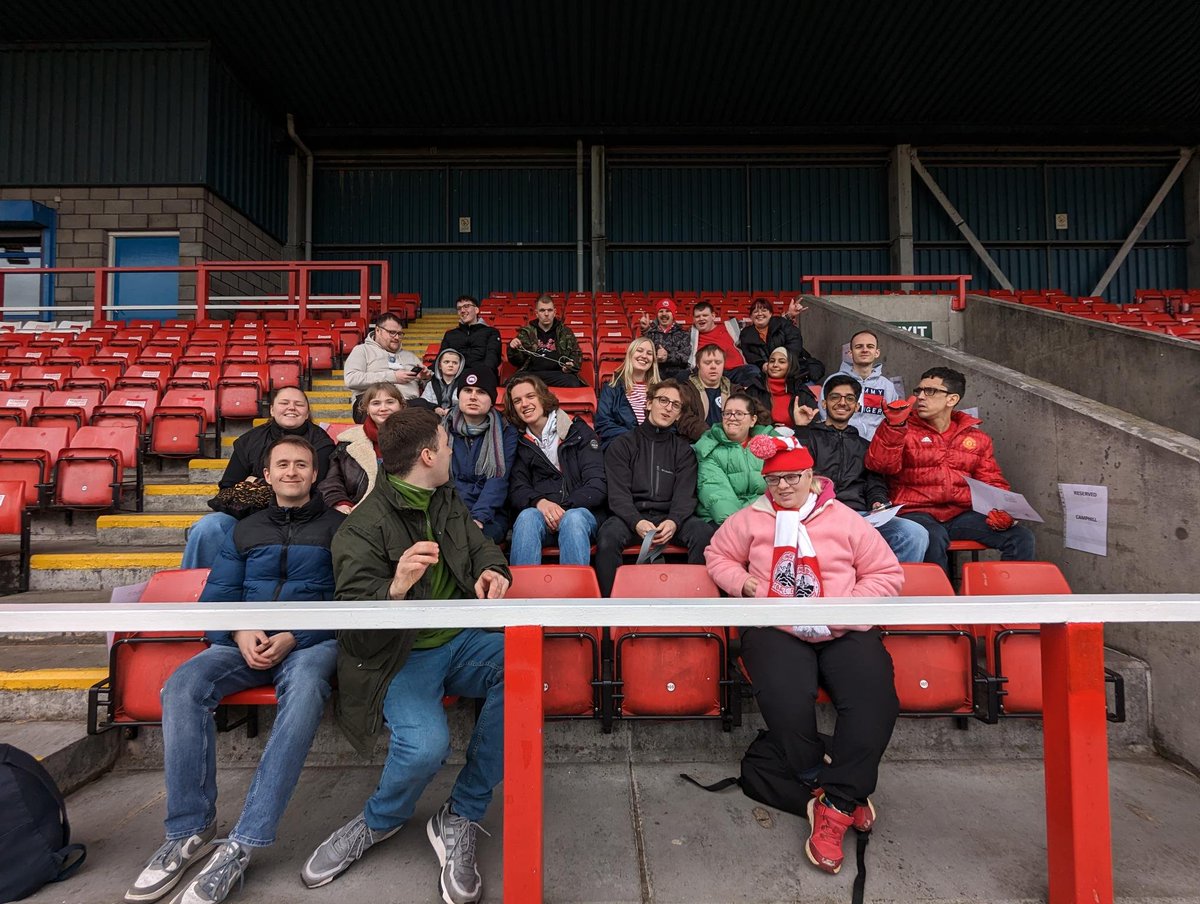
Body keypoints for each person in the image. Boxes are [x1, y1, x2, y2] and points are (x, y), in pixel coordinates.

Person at [302, 408, 511, 904]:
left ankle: (460, 813)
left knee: (526, 672)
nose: (453, 449)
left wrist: (494, 570)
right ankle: (379, 821)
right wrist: (394, 590)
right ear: (427, 456)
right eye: (446, 442)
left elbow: (481, 545)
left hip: (461, 640)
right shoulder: (359, 529)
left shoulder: (445, 496)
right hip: (401, 654)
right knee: (423, 748)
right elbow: (352, 617)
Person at [125, 436, 344, 904]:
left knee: (305, 690)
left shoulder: (339, 528)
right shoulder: (243, 529)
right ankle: (189, 829)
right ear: (266, 475)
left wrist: (296, 635)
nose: (291, 472)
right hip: (243, 641)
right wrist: (241, 630)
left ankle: (243, 842)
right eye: (282, 465)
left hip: (309, 644)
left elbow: (349, 601)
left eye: (301, 465)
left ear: (314, 474)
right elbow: (216, 598)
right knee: (182, 686)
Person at [705, 433, 903, 876]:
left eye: (792, 477)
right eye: (773, 479)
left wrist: (844, 611)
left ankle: (835, 804)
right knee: (784, 697)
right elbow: (717, 555)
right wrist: (746, 585)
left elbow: (886, 574)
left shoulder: (845, 518)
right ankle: (829, 786)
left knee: (875, 698)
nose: (782, 486)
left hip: (842, 625)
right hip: (776, 625)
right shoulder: (751, 517)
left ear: (811, 476)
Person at [865, 366, 1036, 573]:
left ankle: (1008, 601)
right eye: (918, 390)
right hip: (914, 511)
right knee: (932, 536)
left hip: (960, 514)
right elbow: (880, 465)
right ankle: (937, 602)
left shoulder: (976, 438)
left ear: (952, 399)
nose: (920, 397)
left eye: (930, 391)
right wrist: (893, 429)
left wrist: (1004, 511)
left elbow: (991, 480)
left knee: (1020, 537)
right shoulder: (901, 427)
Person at [180, 387, 334, 570]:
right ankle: (193, 589)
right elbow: (228, 487)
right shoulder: (250, 440)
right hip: (249, 513)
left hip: (299, 515)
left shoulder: (322, 443)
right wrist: (259, 492)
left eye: (299, 404)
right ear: (271, 409)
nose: (291, 408)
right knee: (208, 527)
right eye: (284, 403)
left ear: (307, 412)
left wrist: (256, 483)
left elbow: (310, 487)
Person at [595, 379, 715, 596]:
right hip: (631, 517)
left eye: (675, 405)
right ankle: (609, 614)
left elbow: (685, 494)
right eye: (663, 400)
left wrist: (674, 521)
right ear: (649, 403)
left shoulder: (684, 450)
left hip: (670, 518)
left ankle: (697, 606)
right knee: (607, 536)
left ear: (679, 415)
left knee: (704, 533)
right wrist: (636, 521)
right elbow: (618, 494)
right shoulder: (622, 445)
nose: (668, 408)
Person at [793, 375, 928, 562]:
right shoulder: (809, 437)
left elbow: (874, 483)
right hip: (818, 513)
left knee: (913, 533)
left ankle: (891, 588)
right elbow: (795, 470)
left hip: (859, 516)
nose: (842, 403)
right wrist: (801, 429)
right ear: (824, 404)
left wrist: (878, 501)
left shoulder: (865, 445)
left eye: (849, 399)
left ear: (857, 407)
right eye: (835, 397)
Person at [505, 374, 606, 565]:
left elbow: (597, 484)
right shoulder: (518, 442)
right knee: (527, 517)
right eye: (517, 401)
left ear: (543, 397)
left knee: (573, 519)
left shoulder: (578, 432)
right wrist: (540, 503)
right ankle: (522, 593)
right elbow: (517, 488)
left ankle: (575, 593)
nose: (524, 404)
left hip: (582, 514)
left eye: (530, 396)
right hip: (541, 517)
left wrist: (562, 509)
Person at [444, 365, 517, 542]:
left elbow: (498, 480)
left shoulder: (506, 431)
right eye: (467, 390)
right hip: (448, 509)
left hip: (489, 513)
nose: (473, 397)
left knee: (471, 540)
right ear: (459, 395)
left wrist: (478, 517)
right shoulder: (441, 428)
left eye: (481, 392)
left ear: (491, 399)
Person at [318, 382, 405, 513]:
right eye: (376, 403)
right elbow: (333, 480)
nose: (383, 408)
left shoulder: (417, 440)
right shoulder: (348, 442)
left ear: (401, 406)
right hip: (357, 511)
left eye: (390, 402)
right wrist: (341, 503)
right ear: (367, 409)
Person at [693, 392, 774, 525]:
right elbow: (718, 496)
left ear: (753, 420)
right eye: (727, 413)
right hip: (726, 523)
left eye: (739, 414)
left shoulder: (770, 443)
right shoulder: (709, 448)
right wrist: (744, 527)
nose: (732, 418)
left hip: (767, 516)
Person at [818, 329, 899, 440]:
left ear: (877, 353)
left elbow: (893, 422)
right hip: (842, 444)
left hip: (876, 447)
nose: (864, 350)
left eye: (870, 346)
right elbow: (825, 417)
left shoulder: (887, 386)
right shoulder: (835, 380)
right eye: (859, 346)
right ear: (850, 353)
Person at [343, 312, 428, 405]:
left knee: (426, 407)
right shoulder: (362, 350)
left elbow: (428, 388)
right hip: (372, 403)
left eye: (400, 334)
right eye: (392, 332)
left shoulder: (410, 356)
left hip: (408, 403)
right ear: (378, 331)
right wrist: (393, 377)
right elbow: (351, 379)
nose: (396, 337)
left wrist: (424, 379)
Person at [506, 294, 585, 387]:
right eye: (542, 310)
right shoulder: (526, 332)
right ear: (536, 313)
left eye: (549, 310)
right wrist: (513, 348)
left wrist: (571, 365)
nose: (546, 314)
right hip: (532, 374)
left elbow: (576, 354)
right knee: (513, 382)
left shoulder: (565, 332)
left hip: (557, 374)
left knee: (572, 381)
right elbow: (517, 361)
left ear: (554, 312)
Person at [739, 297, 824, 383]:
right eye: (755, 311)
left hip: (795, 371)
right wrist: (763, 365)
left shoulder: (782, 324)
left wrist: (783, 362)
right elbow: (749, 355)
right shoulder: (746, 334)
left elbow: (795, 343)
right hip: (767, 375)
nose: (760, 314)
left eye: (764, 310)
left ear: (770, 314)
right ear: (751, 317)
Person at [595, 337, 660, 449]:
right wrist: (635, 437)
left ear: (653, 360)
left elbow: (670, 423)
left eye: (649, 353)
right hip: (624, 445)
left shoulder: (660, 390)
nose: (644, 356)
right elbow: (603, 424)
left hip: (655, 446)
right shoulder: (612, 387)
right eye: (639, 351)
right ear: (630, 354)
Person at [676, 343, 740, 442]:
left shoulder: (735, 390)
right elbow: (685, 419)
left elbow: (752, 411)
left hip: (731, 443)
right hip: (697, 444)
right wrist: (713, 437)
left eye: (718, 362)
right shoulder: (685, 390)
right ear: (698, 365)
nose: (713, 366)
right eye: (707, 362)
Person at [687, 300, 759, 387]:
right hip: (708, 373)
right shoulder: (690, 335)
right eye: (697, 316)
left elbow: (757, 327)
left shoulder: (731, 327)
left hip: (735, 371)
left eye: (705, 315)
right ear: (694, 319)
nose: (701, 318)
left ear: (713, 316)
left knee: (753, 371)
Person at [440, 294, 501, 379]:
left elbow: (492, 359)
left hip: (482, 377)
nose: (462, 310)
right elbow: (441, 358)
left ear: (476, 310)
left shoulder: (491, 332)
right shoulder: (450, 334)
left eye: (466, 306)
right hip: (455, 378)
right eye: (459, 308)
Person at [760, 346, 817, 430]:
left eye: (781, 362)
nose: (775, 365)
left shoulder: (802, 392)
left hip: (798, 439)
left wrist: (800, 427)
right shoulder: (756, 389)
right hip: (764, 439)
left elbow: (815, 425)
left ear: (791, 366)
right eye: (772, 361)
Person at [637, 297, 691, 380]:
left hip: (677, 377)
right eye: (661, 311)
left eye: (668, 311)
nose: (664, 314)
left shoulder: (683, 334)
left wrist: (667, 357)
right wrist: (645, 330)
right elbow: (641, 351)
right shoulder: (650, 332)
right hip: (654, 375)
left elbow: (685, 357)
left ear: (673, 314)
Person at [419, 347, 464, 417]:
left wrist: (452, 410)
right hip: (434, 417)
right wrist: (434, 408)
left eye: (455, 363)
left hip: (456, 418)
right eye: (446, 362)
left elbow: (466, 404)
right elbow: (423, 402)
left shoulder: (463, 384)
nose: (451, 365)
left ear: (459, 366)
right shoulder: (432, 384)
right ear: (440, 365)